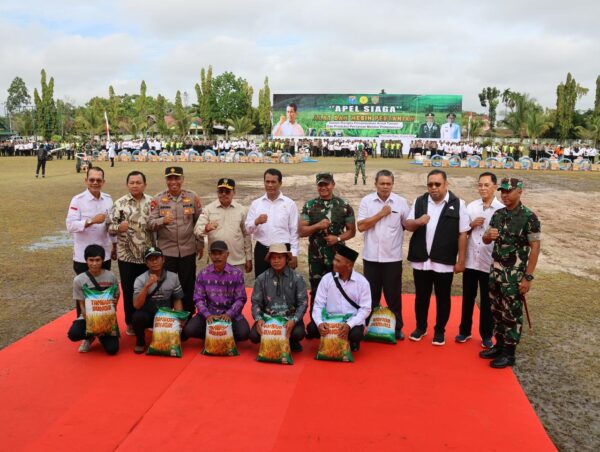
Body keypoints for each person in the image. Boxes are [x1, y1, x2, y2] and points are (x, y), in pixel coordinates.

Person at [480, 178, 541, 368]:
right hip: (496, 273)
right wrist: (487, 236)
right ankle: (499, 346)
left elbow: (535, 247)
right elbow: (486, 239)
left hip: (514, 277)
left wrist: (527, 277)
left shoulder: (529, 217)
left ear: (520, 191)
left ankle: (509, 353)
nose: (504, 195)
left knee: (512, 314)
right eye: (502, 191)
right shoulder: (498, 215)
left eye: (509, 191)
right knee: (496, 311)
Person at [405, 169, 470, 345]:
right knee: (421, 296)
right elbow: (408, 225)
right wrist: (418, 221)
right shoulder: (419, 202)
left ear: (446, 184)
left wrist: (461, 261)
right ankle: (421, 327)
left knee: (443, 297)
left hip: (444, 261)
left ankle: (439, 330)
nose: (433, 188)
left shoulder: (458, 204)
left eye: (437, 184)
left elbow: (463, 234)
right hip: (421, 260)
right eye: (430, 184)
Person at [299, 173, 356, 338]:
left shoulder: (344, 205)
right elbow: (302, 231)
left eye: (326, 184)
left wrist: (337, 238)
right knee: (316, 291)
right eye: (320, 185)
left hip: (338, 258)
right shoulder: (309, 206)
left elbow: (351, 231)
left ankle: (338, 323)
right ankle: (316, 325)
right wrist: (317, 225)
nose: (323, 188)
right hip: (316, 258)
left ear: (333, 185)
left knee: (339, 290)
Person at [357, 169, 410, 340]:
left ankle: (397, 328)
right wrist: (381, 214)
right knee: (371, 296)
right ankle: (370, 326)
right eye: (382, 183)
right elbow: (361, 226)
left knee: (393, 296)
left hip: (392, 258)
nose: (385, 187)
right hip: (371, 257)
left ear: (392, 184)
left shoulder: (401, 202)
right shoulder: (367, 201)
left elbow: (407, 224)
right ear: (375, 184)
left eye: (388, 184)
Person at [456, 172, 504, 348]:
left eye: (486, 185)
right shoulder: (471, 207)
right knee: (468, 297)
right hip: (470, 261)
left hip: (488, 261)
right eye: (480, 185)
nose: (482, 188)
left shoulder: (501, 209)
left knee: (487, 300)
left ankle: (486, 335)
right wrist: (471, 225)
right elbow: (462, 232)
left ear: (495, 187)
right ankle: (464, 331)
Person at [148, 167, 203, 315]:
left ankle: (188, 314)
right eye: (170, 178)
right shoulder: (158, 199)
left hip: (188, 250)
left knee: (188, 283)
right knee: (167, 284)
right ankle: (168, 315)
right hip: (167, 251)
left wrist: (200, 243)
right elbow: (150, 223)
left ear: (182, 179)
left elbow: (200, 222)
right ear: (166, 180)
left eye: (177, 178)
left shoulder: (192, 197)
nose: (173, 182)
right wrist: (162, 220)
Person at [107, 171, 154, 336]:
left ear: (145, 184)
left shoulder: (152, 202)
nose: (135, 185)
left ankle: (147, 321)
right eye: (132, 182)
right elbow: (110, 228)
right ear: (127, 185)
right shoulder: (120, 204)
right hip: (126, 256)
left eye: (138, 182)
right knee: (129, 290)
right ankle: (131, 323)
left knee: (148, 290)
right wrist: (118, 228)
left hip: (148, 256)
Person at [183, 241, 250, 342]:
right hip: (210, 313)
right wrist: (207, 315)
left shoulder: (237, 274)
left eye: (220, 253)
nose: (217, 257)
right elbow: (198, 298)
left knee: (244, 333)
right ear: (210, 255)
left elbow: (241, 299)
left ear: (227, 254)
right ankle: (216, 334)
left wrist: (229, 314)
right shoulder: (203, 274)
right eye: (214, 254)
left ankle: (217, 334)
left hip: (230, 315)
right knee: (189, 330)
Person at [311, 244, 371, 352]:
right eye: (334, 259)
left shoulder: (362, 282)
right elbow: (318, 305)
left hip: (350, 320)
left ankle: (352, 341)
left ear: (349, 265)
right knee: (312, 328)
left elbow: (365, 309)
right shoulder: (326, 279)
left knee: (356, 334)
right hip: (329, 320)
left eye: (338, 261)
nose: (333, 263)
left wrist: (349, 325)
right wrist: (320, 323)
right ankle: (328, 338)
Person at [250, 243, 308, 352]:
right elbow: (256, 302)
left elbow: (303, 303)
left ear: (286, 259)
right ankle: (272, 339)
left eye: (280, 257)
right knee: (254, 336)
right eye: (273, 258)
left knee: (298, 333)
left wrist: (294, 320)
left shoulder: (297, 278)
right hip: (269, 318)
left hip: (289, 317)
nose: (276, 261)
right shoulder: (261, 279)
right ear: (269, 260)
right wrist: (259, 319)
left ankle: (291, 341)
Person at [245, 168, 299, 277]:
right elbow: (247, 229)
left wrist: (294, 253)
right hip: (262, 249)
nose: (270, 185)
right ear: (264, 182)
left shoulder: (289, 204)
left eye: (273, 182)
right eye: (267, 181)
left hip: (282, 250)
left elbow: (294, 230)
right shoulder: (256, 204)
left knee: (284, 285)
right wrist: (256, 222)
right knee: (262, 283)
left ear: (280, 183)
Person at [67, 244, 120, 355]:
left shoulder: (111, 277)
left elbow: (116, 295)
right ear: (86, 260)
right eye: (91, 260)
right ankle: (90, 336)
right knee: (73, 334)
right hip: (88, 318)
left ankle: (99, 336)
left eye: (97, 260)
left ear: (102, 260)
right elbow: (81, 305)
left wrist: (114, 303)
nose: (94, 263)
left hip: (107, 318)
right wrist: (94, 326)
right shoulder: (79, 280)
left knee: (112, 350)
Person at [132, 247, 185, 354]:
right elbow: (137, 305)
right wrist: (146, 287)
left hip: (166, 317)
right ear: (146, 263)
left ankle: (170, 333)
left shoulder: (173, 277)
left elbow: (177, 299)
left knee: (185, 334)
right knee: (137, 317)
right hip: (149, 315)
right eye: (151, 259)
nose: (154, 262)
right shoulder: (140, 279)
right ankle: (140, 341)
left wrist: (179, 318)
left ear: (163, 259)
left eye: (157, 258)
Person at [194, 178, 252, 275]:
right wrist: (206, 228)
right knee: (216, 290)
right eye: (221, 191)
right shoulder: (208, 209)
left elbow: (247, 235)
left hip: (237, 261)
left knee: (237, 290)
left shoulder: (242, 210)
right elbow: (197, 230)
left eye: (227, 191)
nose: (224, 194)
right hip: (216, 261)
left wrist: (249, 257)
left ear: (234, 192)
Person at [66, 166, 116, 279]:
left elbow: (110, 225)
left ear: (103, 182)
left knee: (104, 291)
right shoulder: (77, 200)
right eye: (91, 180)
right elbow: (70, 226)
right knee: (86, 292)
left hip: (104, 255)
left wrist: (115, 246)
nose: (95, 183)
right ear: (86, 181)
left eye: (98, 180)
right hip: (84, 257)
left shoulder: (108, 199)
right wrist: (91, 221)